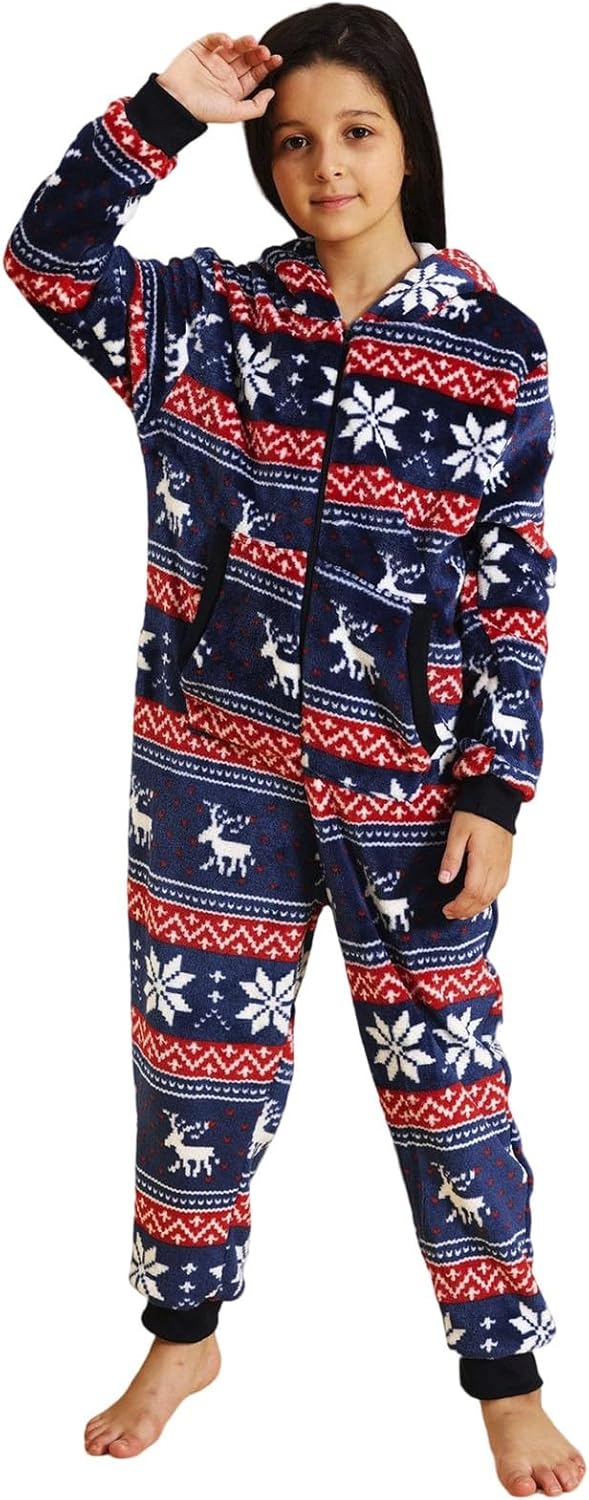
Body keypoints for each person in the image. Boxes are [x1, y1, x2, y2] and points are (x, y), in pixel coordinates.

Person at [3, 7, 585, 1490]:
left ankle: (504, 1375)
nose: (326, 165)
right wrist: (166, 110)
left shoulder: (496, 350)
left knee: (447, 1077)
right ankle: (183, 1334)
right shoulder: (206, 321)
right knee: (195, 1063)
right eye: (292, 142)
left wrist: (497, 786)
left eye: (357, 132)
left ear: (409, 143)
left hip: (410, 786)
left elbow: (513, 579)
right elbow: (47, 257)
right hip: (212, 763)